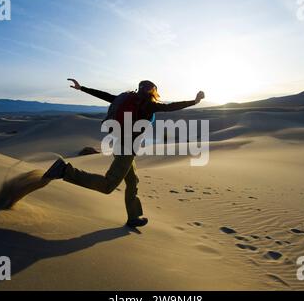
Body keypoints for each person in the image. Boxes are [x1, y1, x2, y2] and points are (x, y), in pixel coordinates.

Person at [43, 79, 205, 227]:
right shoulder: (148, 104)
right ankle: (64, 170)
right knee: (108, 185)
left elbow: (105, 95)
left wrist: (82, 88)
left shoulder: (126, 99)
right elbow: (171, 107)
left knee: (132, 180)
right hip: (127, 147)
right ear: (152, 91)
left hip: (120, 142)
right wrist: (195, 101)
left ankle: (133, 217)